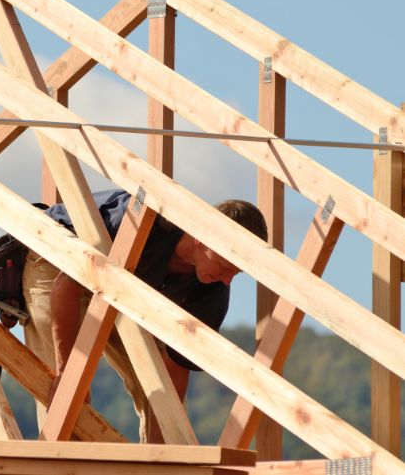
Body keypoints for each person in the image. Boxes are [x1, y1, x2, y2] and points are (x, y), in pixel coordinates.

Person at [21, 189, 267, 441]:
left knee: (155, 388)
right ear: (201, 239)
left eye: (236, 274)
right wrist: (67, 373)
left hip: (118, 286)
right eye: (225, 267)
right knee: (64, 390)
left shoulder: (212, 289)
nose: (227, 280)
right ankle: (58, 455)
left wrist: (163, 454)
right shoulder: (140, 222)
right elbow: (66, 287)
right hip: (59, 254)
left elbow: (174, 369)